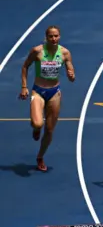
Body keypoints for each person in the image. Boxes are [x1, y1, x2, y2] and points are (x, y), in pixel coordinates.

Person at [18, 25, 75, 171]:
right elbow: (25, 67)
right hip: (38, 91)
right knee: (38, 124)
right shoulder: (37, 51)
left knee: (49, 130)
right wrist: (24, 87)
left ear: (59, 36)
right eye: (51, 36)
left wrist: (71, 75)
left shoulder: (65, 53)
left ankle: (40, 157)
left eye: (56, 36)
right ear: (46, 37)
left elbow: (71, 72)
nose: (54, 39)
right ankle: (36, 129)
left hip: (54, 92)